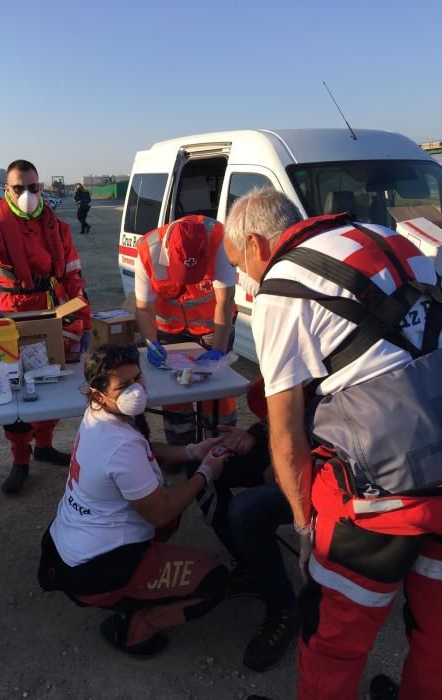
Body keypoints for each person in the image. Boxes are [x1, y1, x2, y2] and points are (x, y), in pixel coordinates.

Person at [224, 187, 442, 700]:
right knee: (436, 635)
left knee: (332, 640)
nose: (245, 279)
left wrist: (304, 527)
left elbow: (285, 431)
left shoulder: (284, 284)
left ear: (257, 244)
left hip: (379, 498)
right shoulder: (395, 240)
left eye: (240, 265)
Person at [38, 344, 228, 656]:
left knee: (165, 510)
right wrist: (205, 472)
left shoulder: (96, 416)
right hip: (95, 570)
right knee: (214, 582)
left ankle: (138, 583)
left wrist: (191, 451)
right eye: (124, 386)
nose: (136, 391)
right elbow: (160, 513)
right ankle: (135, 629)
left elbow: (139, 447)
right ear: (98, 393)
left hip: (68, 547)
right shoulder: (119, 446)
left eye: (138, 379)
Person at [0, 159, 91, 495]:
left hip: (50, 310)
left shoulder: (56, 226)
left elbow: (74, 274)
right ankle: (20, 459)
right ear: (7, 189)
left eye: (32, 188)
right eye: (18, 188)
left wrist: (84, 317)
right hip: (8, 314)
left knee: (51, 378)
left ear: (41, 187)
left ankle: (45, 445)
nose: (26, 195)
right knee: (15, 387)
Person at [179, 375, 298, 672]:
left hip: (327, 465)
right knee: (201, 466)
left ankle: (283, 606)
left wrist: (288, 458)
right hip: (286, 447)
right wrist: (258, 435)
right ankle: (253, 568)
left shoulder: (364, 354)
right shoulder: (306, 342)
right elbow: (290, 404)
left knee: (247, 511)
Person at [136, 215, 237, 444]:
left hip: (213, 327)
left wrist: (219, 351)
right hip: (169, 330)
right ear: (168, 254)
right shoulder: (147, 250)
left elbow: (225, 300)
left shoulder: (219, 239)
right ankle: (182, 449)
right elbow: (143, 309)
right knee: (175, 392)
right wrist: (152, 343)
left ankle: (221, 447)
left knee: (218, 391)